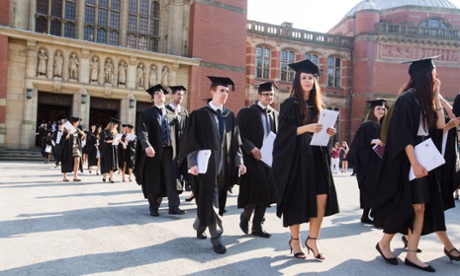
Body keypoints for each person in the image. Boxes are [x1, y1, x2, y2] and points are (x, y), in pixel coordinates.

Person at [372, 57, 445, 272]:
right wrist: (414, 164)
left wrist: (437, 96)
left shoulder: (425, 101)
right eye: (433, 75)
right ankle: (385, 243)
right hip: (408, 159)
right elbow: (403, 135)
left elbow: (440, 125)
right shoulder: (406, 100)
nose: (436, 78)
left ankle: (411, 253)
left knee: (421, 206)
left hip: (423, 156)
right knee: (404, 204)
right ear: (424, 77)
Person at [272, 59, 339, 260]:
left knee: (321, 197)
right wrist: (306, 128)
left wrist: (329, 132)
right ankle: (295, 240)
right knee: (297, 199)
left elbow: (322, 135)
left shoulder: (318, 106)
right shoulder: (291, 104)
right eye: (304, 78)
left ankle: (313, 239)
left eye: (311, 78)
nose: (308, 81)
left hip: (317, 157)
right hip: (297, 159)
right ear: (297, 80)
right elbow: (283, 133)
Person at [179, 76, 246, 254]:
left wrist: (239, 161)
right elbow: (191, 140)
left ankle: (200, 224)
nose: (225, 94)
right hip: (205, 165)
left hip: (224, 165)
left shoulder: (229, 116)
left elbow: (235, 143)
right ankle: (217, 237)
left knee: (213, 200)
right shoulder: (199, 115)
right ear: (212, 92)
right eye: (221, 91)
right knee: (211, 198)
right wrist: (192, 162)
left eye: (227, 91)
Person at [135, 84, 186, 217]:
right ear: (153, 98)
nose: (160, 95)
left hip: (170, 151)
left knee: (172, 178)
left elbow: (178, 134)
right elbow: (142, 132)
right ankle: (154, 207)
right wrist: (146, 145)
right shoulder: (147, 114)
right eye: (157, 93)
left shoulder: (171, 114)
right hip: (154, 152)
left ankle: (174, 206)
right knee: (154, 179)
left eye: (162, 93)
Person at [237, 81, 279, 238]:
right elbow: (240, 134)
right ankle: (246, 216)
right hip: (252, 159)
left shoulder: (275, 115)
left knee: (265, 193)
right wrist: (251, 148)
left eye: (271, 95)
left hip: (269, 159)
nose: (269, 97)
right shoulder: (247, 112)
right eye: (266, 95)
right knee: (257, 191)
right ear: (259, 95)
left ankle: (257, 225)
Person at [350, 99, 386, 224]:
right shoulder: (367, 126)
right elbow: (358, 143)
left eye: (383, 109)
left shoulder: (384, 126)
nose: (381, 110)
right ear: (372, 111)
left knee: (379, 189)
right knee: (371, 189)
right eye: (378, 109)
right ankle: (373, 217)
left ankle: (367, 215)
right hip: (369, 164)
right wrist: (373, 141)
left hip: (380, 163)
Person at [166, 85, 191, 200]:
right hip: (170, 149)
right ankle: (173, 204)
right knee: (172, 176)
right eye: (178, 94)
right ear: (172, 95)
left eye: (182, 95)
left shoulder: (184, 112)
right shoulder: (165, 110)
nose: (180, 97)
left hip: (183, 149)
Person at [60, 117, 85, 182]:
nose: (77, 123)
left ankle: (75, 176)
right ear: (73, 122)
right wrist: (68, 133)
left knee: (77, 160)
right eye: (76, 122)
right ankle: (65, 176)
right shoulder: (66, 129)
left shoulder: (77, 129)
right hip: (68, 148)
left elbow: (80, 138)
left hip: (76, 147)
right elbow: (64, 139)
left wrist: (82, 135)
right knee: (66, 161)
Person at [99, 117, 120, 183]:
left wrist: (118, 141)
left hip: (113, 150)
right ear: (113, 125)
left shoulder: (115, 132)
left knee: (112, 163)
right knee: (106, 163)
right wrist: (111, 141)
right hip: (106, 150)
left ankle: (111, 177)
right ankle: (104, 176)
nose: (117, 126)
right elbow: (102, 141)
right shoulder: (105, 132)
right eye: (116, 125)